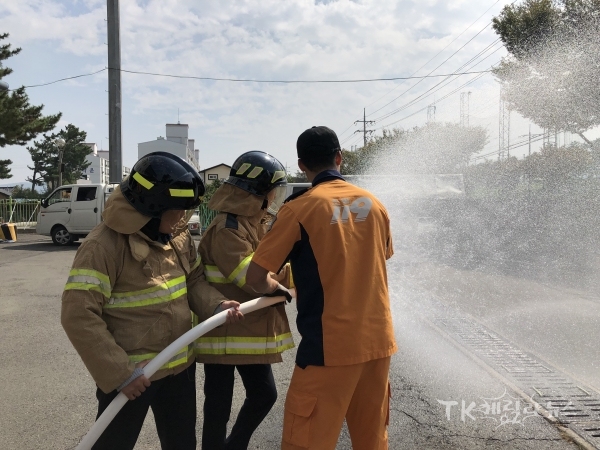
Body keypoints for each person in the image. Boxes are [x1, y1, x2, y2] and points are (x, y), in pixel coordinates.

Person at [61, 151, 243, 450]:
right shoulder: (102, 246)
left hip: (178, 369)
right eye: (177, 210)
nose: (184, 218)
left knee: (181, 443)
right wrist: (120, 373)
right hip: (132, 376)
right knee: (112, 444)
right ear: (152, 207)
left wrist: (217, 304)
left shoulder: (177, 236)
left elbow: (194, 280)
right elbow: (78, 315)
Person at [246, 126, 397, 450]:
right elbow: (378, 258)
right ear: (339, 158)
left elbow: (256, 277)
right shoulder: (375, 205)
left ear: (302, 165)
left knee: (307, 442)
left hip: (329, 349)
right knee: (373, 442)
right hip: (378, 345)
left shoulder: (299, 209)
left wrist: (277, 287)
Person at [195, 150, 295, 450]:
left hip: (242, 332)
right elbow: (250, 277)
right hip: (225, 333)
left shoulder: (251, 222)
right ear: (259, 193)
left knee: (263, 395)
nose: (275, 196)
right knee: (219, 406)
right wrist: (289, 279)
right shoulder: (228, 229)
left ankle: (232, 446)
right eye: (272, 191)